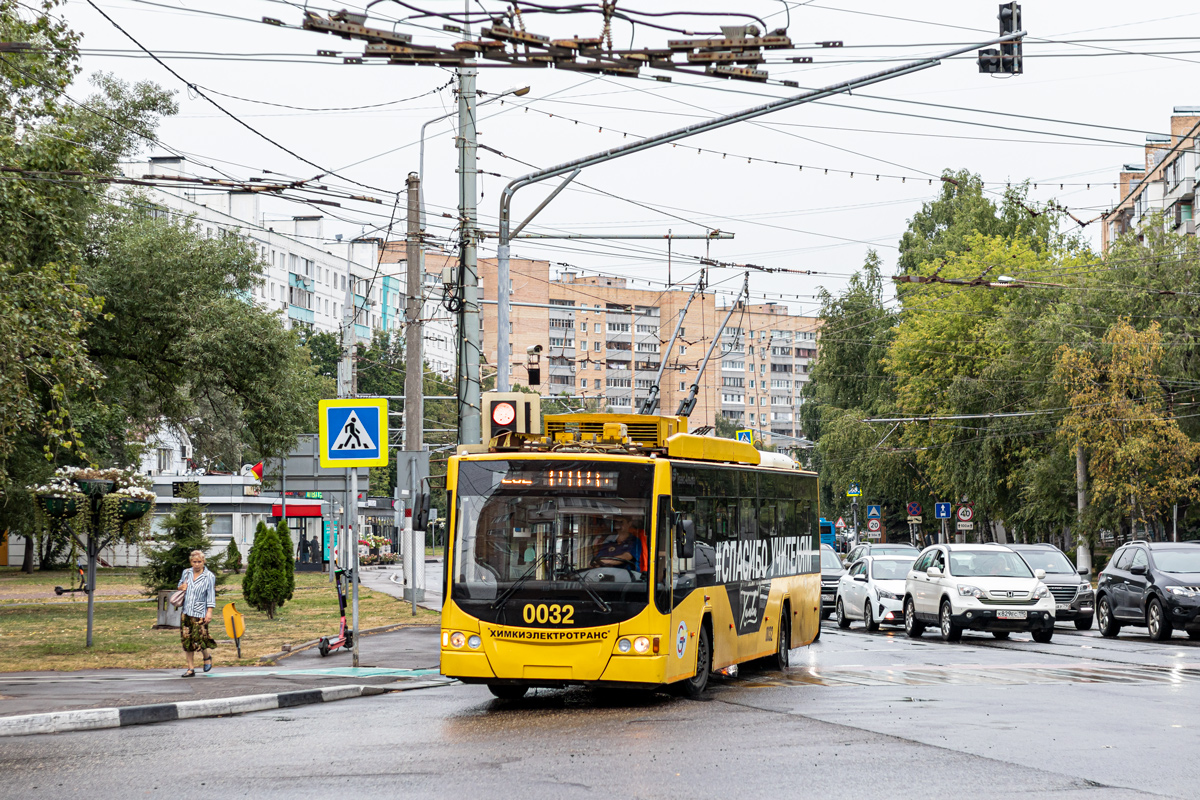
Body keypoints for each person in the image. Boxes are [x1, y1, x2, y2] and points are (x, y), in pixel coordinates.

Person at [178, 550, 217, 677]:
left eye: (199, 562)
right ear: (191, 562)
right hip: (186, 610)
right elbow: (179, 585)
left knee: (199, 639)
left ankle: (206, 656)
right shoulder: (186, 572)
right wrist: (181, 587)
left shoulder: (209, 576)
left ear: (203, 562)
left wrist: (209, 612)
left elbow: (210, 595)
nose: (197, 564)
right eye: (194, 562)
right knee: (187, 640)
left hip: (200, 612)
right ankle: (190, 668)